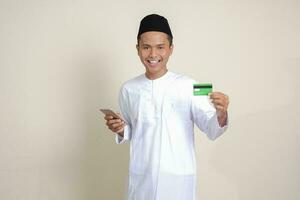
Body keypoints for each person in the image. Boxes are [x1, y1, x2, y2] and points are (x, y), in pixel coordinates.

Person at [104, 14, 229, 200]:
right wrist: (121, 129)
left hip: (178, 181)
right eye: (146, 47)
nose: (153, 55)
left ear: (171, 49)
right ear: (137, 49)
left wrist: (221, 113)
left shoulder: (192, 85)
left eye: (160, 47)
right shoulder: (128, 89)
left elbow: (212, 129)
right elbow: (132, 131)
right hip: (142, 179)